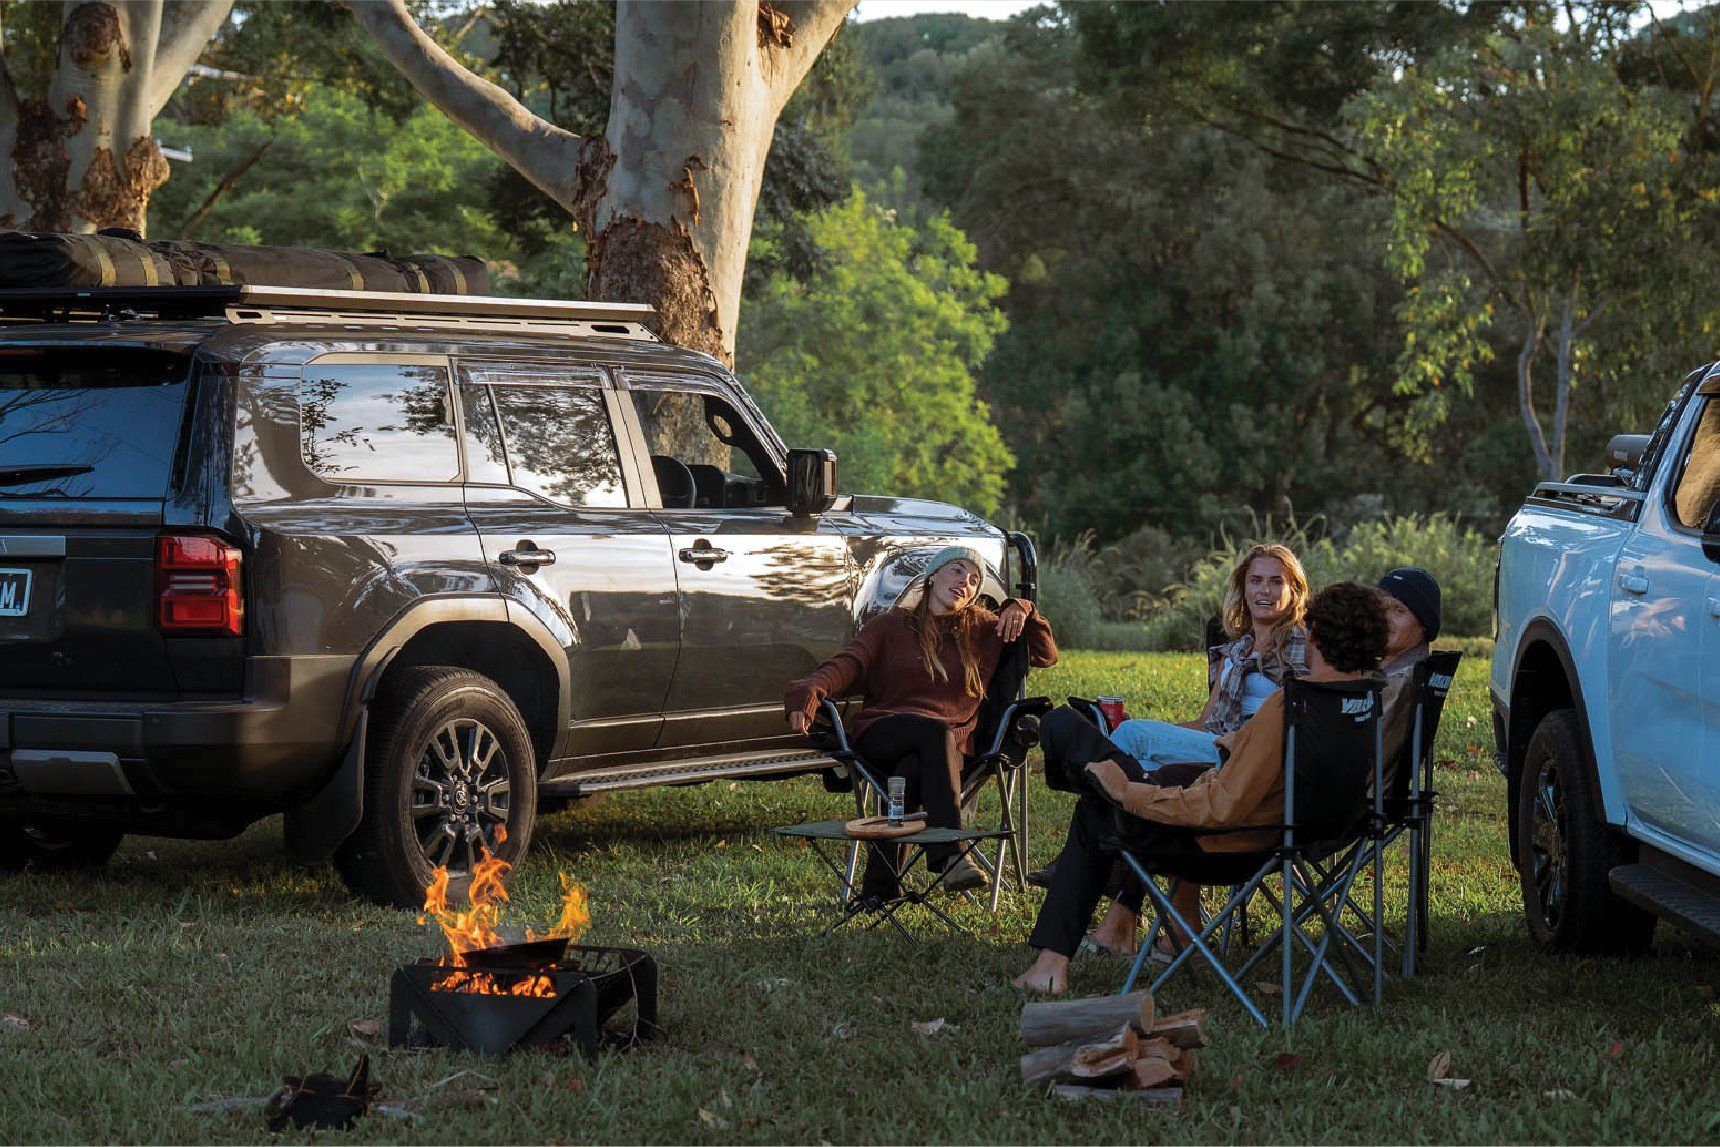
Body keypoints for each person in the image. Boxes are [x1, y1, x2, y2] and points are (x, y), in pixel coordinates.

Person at [1012, 581, 1390, 995]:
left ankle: (1050, 967)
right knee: (1108, 772)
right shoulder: (1363, 701)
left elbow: (1219, 808)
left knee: (1071, 749)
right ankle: (1085, 944)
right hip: (1286, 834)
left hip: (1227, 846)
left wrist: (1127, 792)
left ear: (1313, 634)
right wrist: (1240, 745)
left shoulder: (1290, 704)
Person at [1070, 543, 1310, 957]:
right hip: (1213, 748)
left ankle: (1093, 865)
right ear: (1242, 588)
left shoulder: (1302, 648)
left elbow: (1302, 720)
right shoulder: (1236, 650)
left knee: (1127, 743)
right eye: (1256, 581)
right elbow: (1204, 722)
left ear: (1294, 590)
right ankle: (1164, 926)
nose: (1265, 590)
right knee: (1141, 763)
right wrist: (1159, 733)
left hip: (1250, 761)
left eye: (1276, 581)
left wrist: (1139, 732)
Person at [784, 546, 1057, 899]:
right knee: (931, 733)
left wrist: (1022, 607)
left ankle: (880, 888)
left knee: (912, 768)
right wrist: (810, 689)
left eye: (975, 580)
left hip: (950, 747)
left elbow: (1045, 654)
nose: (966, 583)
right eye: (957, 571)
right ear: (932, 576)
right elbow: (848, 664)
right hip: (884, 731)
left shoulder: (983, 631)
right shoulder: (890, 625)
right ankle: (949, 854)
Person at [1376, 566, 1442, 772]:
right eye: (1381, 608)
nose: (1385, 618)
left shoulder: (1400, 681)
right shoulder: (1380, 671)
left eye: (1398, 611)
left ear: (1423, 626)